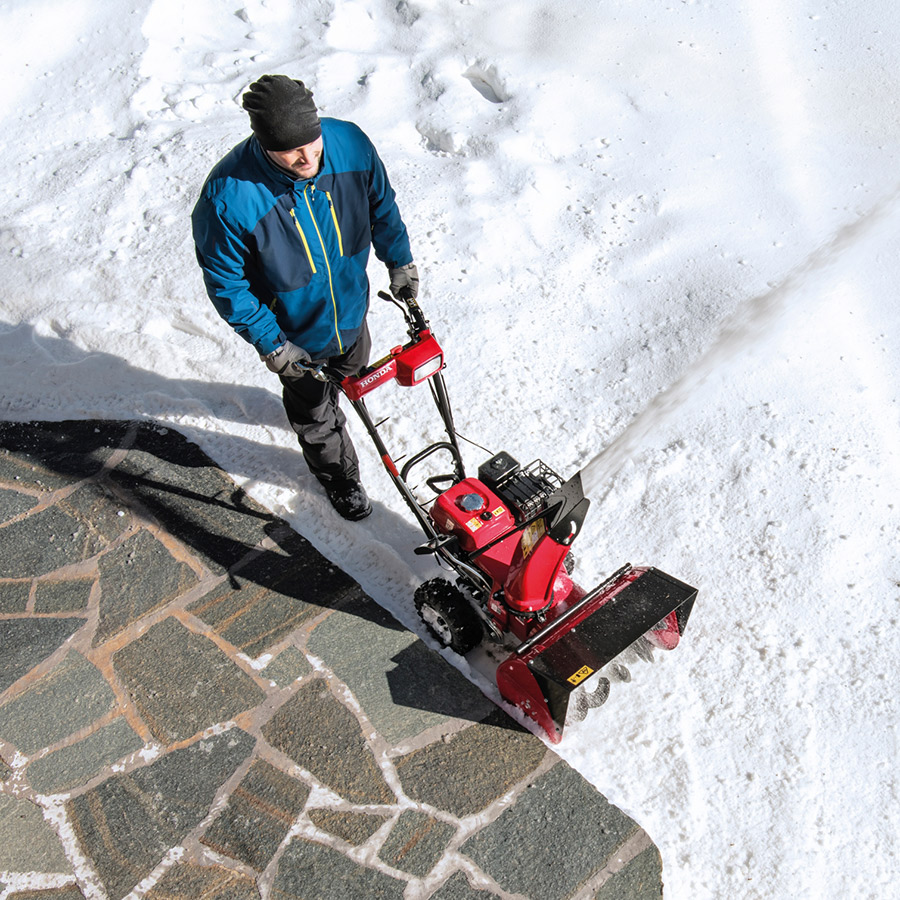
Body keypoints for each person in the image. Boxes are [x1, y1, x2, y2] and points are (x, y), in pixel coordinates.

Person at [192, 75, 419, 520]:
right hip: (293, 334)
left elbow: (382, 208)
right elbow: (226, 283)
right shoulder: (229, 197)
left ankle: (335, 401)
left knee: (350, 377)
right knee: (315, 413)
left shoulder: (349, 144)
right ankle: (339, 476)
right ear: (262, 142)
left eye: (313, 144)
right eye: (292, 151)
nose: (308, 158)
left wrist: (400, 262)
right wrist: (272, 345)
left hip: (351, 312)